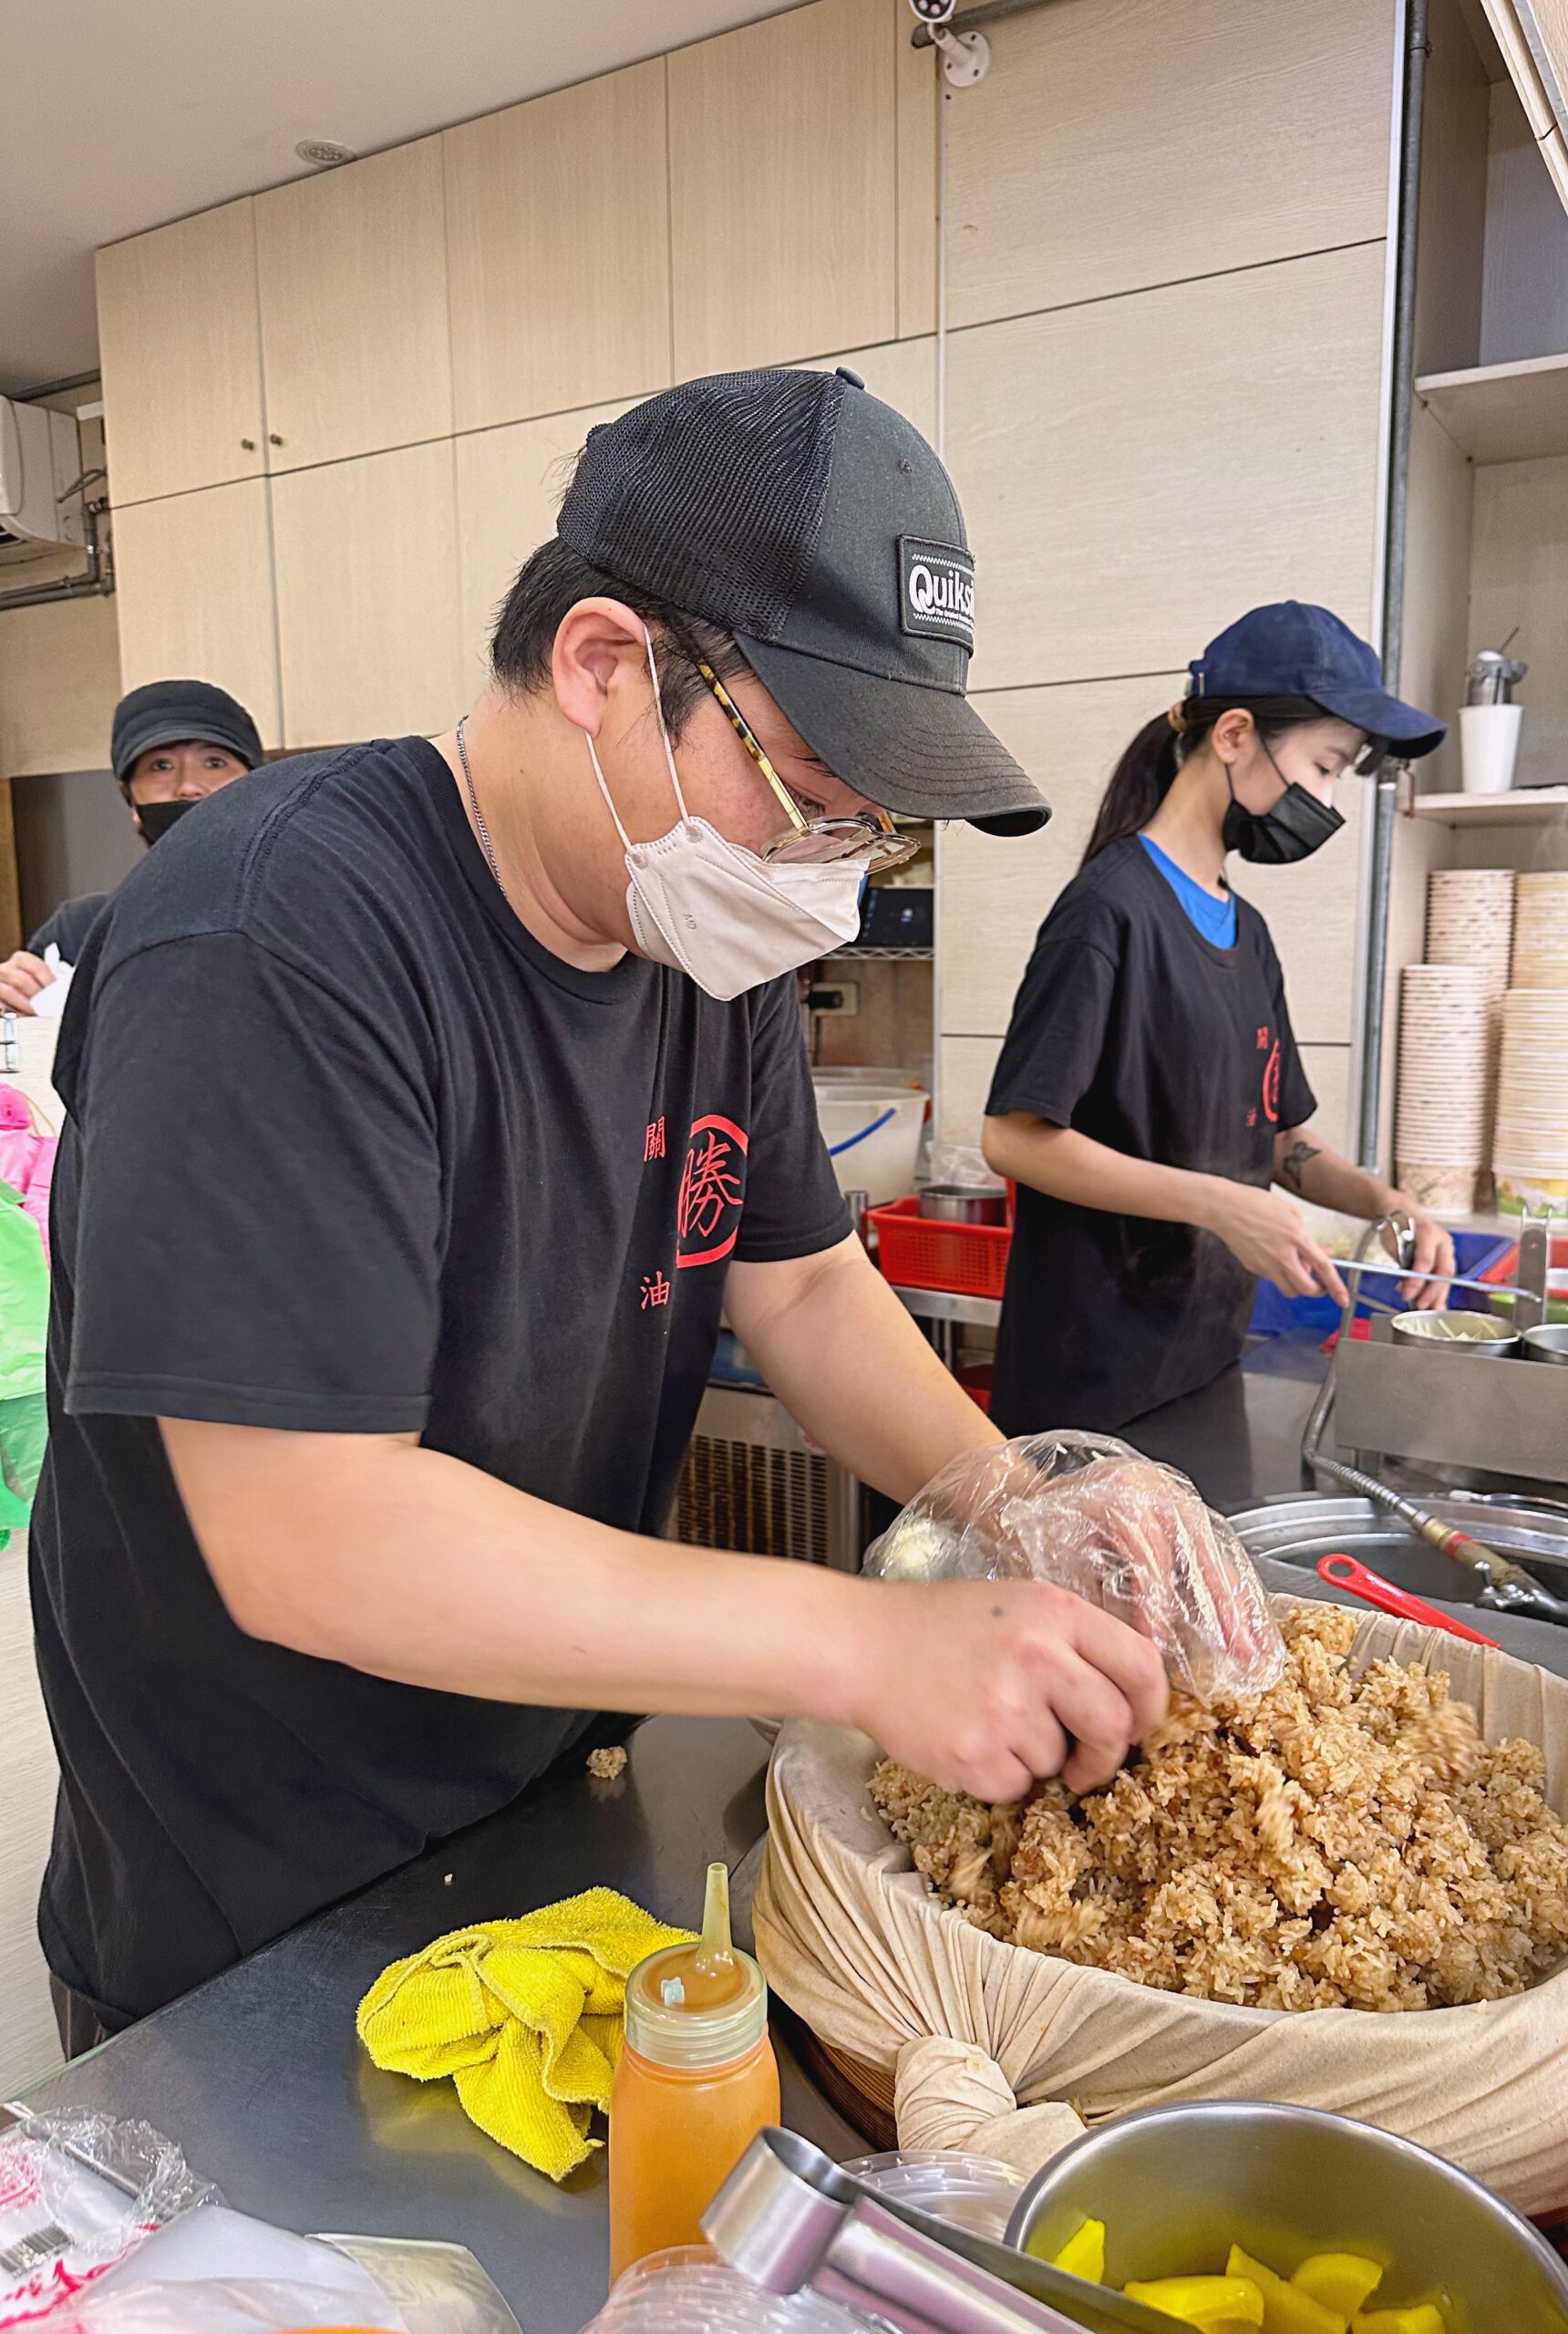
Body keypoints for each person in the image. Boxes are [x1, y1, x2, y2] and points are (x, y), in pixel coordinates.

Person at [34, 368, 1171, 2053]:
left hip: (546, 1781)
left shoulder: (689, 935)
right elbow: (308, 1535)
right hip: (260, 1885)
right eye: (807, 791)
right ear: (604, 666)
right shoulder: (274, 937)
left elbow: (801, 1285)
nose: (832, 868)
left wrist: (1008, 1497)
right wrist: (862, 1642)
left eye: (873, 824)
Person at [983, 602, 1459, 1436]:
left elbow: (1276, 1143)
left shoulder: (1250, 934)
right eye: (1324, 763)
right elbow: (1015, 1139)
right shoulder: (1108, 912)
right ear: (1234, 735)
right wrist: (1221, 1204)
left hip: (1200, 1361)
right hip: (1089, 1386)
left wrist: (1390, 1205)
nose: (1327, 797)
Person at [0, 679, 262, 1011]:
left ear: (259, 785)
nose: (188, 787)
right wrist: (13, 1004)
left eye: (214, 762)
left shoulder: (309, 914)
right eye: (161, 766)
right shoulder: (81, 930)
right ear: (133, 807)